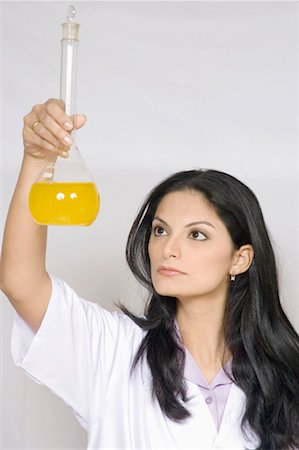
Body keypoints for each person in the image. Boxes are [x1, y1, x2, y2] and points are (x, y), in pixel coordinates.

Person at [1, 99, 299, 450]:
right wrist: (38, 159)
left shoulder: (284, 376)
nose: (168, 248)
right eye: (160, 230)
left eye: (197, 234)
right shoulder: (113, 352)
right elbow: (20, 281)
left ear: (240, 259)